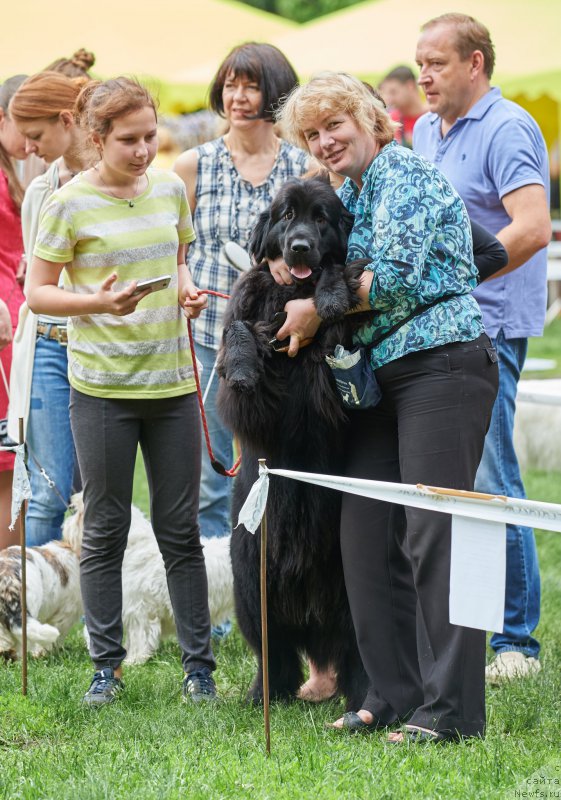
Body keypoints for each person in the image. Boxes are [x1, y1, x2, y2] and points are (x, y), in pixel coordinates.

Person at [273, 71, 499, 742]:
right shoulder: (346, 193)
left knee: (435, 533)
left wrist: (315, 305)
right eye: (312, 134)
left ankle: (452, 711)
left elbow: (394, 277)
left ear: (371, 119)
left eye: (334, 125)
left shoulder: (404, 175)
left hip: (442, 364)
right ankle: (387, 693)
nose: (325, 140)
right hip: (375, 378)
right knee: (363, 535)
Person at [27, 76, 216, 706]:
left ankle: (199, 670)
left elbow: (181, 256)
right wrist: (97, 301)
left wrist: (186, 290)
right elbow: (38, 293)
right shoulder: (68, 203)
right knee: (104, 528)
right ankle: (105, 668)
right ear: (96, 137)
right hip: (103, 388)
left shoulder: (169, 187)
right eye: (128, 140)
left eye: (150, 136)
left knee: (178, 529)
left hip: (172, 387)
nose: (142, 150)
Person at [413, 13, 551, 684]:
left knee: (491, 481)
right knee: (455, 484)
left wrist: (455, 278)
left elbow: (531, 229)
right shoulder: (421, 129)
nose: (423, 75)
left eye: (436, 63)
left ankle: (516, 641)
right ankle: (466, 626)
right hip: (440, 329)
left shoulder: (506, 127)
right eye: (418, 63)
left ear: (475, 65)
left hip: (490, 324)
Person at [173, 42, 308, 635]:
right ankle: (218, 616)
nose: (238, 97)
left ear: (274, 93)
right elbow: (179, 252)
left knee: (271, 469)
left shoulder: (299, 166)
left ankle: (271, 596)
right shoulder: (192, 165)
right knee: (212, 480)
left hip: (284, 346)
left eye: (251, 86)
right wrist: (184, 285)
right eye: (230, 85)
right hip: (212, 338)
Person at [8, 70, 96, 546]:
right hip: (49, 345)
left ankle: (96, 610)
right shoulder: (40, 191)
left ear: (67, 120)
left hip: (103, 347)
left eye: (37, 136)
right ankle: (30, 613)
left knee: (98, 492)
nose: (29, 148)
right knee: (48, 490)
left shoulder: (120, 179)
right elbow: (39, 287)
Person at [0, 75, 27, 547]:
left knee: (16, 460)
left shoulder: (19, 168)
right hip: (3, 325)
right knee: (8, 463)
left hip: (22, 323)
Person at [378, 66, 426, 149]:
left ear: (409, 86)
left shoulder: (434, 118)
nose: (389, 99)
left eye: (393, 92)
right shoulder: (389, 121)